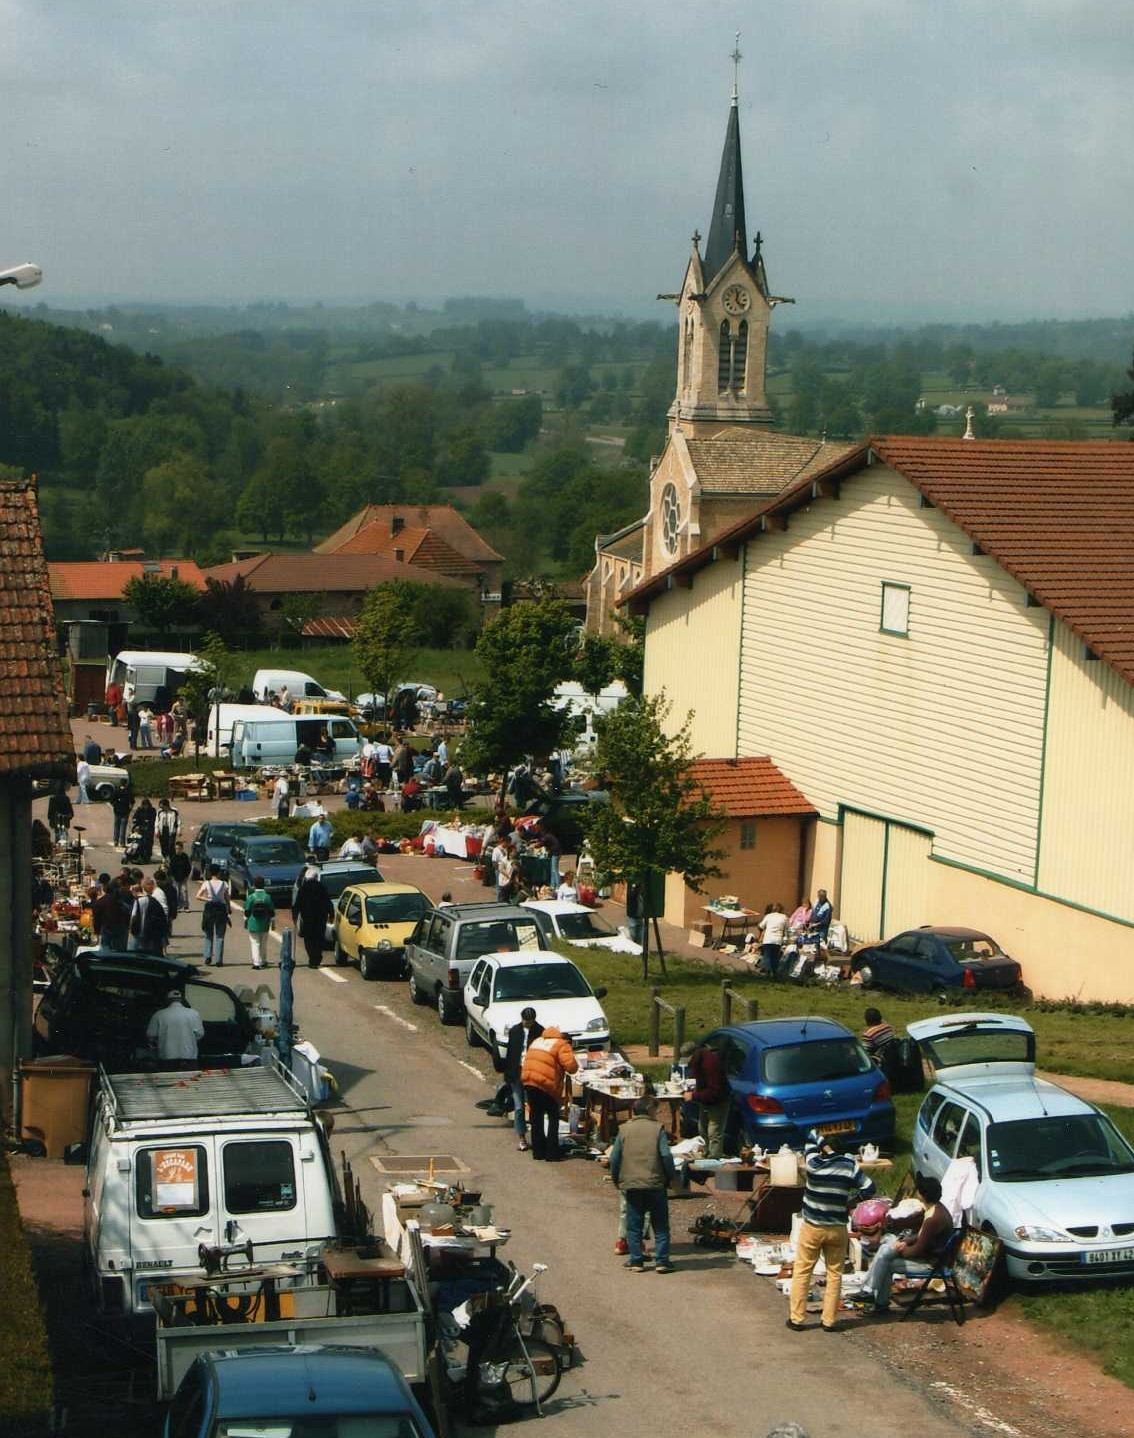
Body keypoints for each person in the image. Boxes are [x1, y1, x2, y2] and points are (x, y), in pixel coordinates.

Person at [787, 1130, 875, 1333]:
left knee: (802, 1271)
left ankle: (797, 1318)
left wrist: (818, 1137)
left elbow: (809, 1140)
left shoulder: (813, 1164)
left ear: (824, 1148)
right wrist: (851, 1202)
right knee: (834, 1274)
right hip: (837, 1228)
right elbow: (870, 1188)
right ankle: (829, 1321)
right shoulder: (849, 1166)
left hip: (812, 1227)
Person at [854, 1175, 954, 1315]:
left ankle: (874, 1297)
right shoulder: (935, 1209)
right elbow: (920, 1235)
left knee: (886, 1261)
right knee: (886, 1249)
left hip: (931, 1263)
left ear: (922, 1194)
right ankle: (870, 1293)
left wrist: (902, 1249)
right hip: (928, 1255)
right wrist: (904, 1241)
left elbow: (917, 1250)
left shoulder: (933, 1219)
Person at [609, 1096, 678, 1273]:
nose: (657, 1113)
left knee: (634, 1225)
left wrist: (617, 1179)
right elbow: (666, 1156)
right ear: (649, 1110)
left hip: (631, 1184)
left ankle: (636, 1261)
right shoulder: (658, 1129)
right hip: (655, 1184)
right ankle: (662, 1261)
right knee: (661, 1225)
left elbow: (614, 1158)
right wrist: (671, 1176)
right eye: (656, 1110)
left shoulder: (623, 1129)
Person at [520, 1025, 578, 1162]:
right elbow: (571, 1067)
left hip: (529, 1081)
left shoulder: (538, 1041)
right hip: (545, 1083)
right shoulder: (562, 1044)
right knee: (553, 1116)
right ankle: (552, 1153)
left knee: (536, 1117)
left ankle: (538, 1152)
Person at [499, 1008, 543, 1151]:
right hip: (516, 1073)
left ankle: (537, 1138)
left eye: (530, 1022)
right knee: (519, 1107)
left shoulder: (540, 1031)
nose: (528, 1024)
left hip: (532, 1073)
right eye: (526, 1021)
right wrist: (507, 1074)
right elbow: (511, 1054)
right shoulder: (515, 1031)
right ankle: (522, 1138)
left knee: (534, 1106)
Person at [688, 1041, 730, 1159]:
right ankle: (707, 1153)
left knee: (714, 1132)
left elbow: (714, 1091)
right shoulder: (697, 1062)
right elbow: (696, 1077)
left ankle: (714, 1158)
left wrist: (694, 1096)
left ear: (695, 1054)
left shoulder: (711, 1064)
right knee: (702, 1128)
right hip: (705, 1100)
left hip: (718, 1100)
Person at [146, 989, 204, 1069]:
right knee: (190, 1080)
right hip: (189, 1057)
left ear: (167, 1000)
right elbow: (200, 1034)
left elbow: (151, 1036)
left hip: (167, 1058)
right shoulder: (194, 1013)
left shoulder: (159, 1014)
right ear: (181, 1000)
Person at [294, 866, 334, 968]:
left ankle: (312, 958)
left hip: (307, 919)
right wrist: (331, 914)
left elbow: (297, 905)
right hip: (321, 918)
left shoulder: (303, 888)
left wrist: (295, 917)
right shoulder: (322, 887)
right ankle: (317, 957)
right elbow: (328, 902)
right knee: (319, 939)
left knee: (309, 939)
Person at [197, 865, 231, 965]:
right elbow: (227, 898)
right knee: (220, 935)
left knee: (208, 934)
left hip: (209, 910)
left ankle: (208, 956)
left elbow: (198, 896)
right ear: (219, 873)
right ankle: (219, 960)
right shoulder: (224, 884)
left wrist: (208, 899)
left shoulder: (206, 883)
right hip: (221, 910)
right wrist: (228, 909)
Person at [93, 873, 132, 951]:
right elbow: (128, 913)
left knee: (106, 951)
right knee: (120, 952)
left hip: (107, 929)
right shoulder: (120, 898)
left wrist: (96, 933)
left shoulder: (100, 901)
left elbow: (96, 919)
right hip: (121, 929)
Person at [129, 878, 169, 954]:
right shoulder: (151, 898)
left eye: (144, 887)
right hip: (150, 930)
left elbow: (133, 917)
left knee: (134, 951)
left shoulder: (141, 900)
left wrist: (131, 929)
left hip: (141, 931)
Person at [244, 876, 275, 969]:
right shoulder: (267, 897)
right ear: (264, 884)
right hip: (265, 923)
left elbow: (247, 911)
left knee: (255, 943)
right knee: (264, 943)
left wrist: (246, 920)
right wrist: (273, 922)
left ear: (254, 885)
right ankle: (264, 960)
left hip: (253, 923)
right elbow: (272, 912)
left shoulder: (251, 897)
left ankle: (256, 963)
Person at [757, 902, 788, 977]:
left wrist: (760, 929)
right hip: (777, 940)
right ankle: (774, 973)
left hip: (768, 939)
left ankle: (765, 974)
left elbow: (760, 926)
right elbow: (787, 929)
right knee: (775, 957)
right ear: (781, 910)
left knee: (767, 956)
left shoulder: (768, 916)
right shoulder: (784, 917)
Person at [155, 798, 181, 863]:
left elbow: (178, 821)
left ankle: (172, 857)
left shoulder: (174, 811)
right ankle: (164, 856)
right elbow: (157, 821)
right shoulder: (159, 811)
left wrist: (179, 830)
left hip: (171, 830)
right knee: (163, 844)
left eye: (163, 806)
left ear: (166, 805)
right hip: (162, 829)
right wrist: (156, 830)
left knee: (171, 844)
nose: (162, 808)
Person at [131, 798, 156, 862]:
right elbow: (135, 817)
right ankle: (138, 855)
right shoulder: (139, 810)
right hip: (140, 827)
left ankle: (147, 856)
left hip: (149, 828)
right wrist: (135, 821)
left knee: (148, 843)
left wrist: (148, 821)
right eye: (144, 805)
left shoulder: (152, 810)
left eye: (146, 805)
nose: (145, 806)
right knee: (139, 842)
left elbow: (153, 819)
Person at [169, 841, 192, 911]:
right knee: (176, 892)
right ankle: (177, 906)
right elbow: (171, 868)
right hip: (175, 878)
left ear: (182, 849)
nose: (177, 850)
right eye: (176, 849)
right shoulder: (173, 857)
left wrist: (186, 876)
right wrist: (172, 877)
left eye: (179, 849)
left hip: (183, 877)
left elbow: (188, 867)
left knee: (184, 891)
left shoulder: (185, 857)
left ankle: (186, 906)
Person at [110, 780, 133, 849]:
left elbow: (111, 801)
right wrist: (130, 810)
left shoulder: (116, 791)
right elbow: (132, 802)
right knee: (123, 827)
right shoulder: (128, 791)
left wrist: (115, 806)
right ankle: (122, 842)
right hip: (125, 811)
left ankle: (115, 841)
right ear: (126, 784)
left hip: (117, 811)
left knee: (116, 826)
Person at [493, 839, 515, 904]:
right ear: (510, 852)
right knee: (502, 899)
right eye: (514, 851)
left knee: (508, 898)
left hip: (510, 882)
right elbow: (501, 869)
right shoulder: (504, 860)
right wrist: (509, 876)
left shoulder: (514, 860)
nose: (516, 852)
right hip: (504, 882)